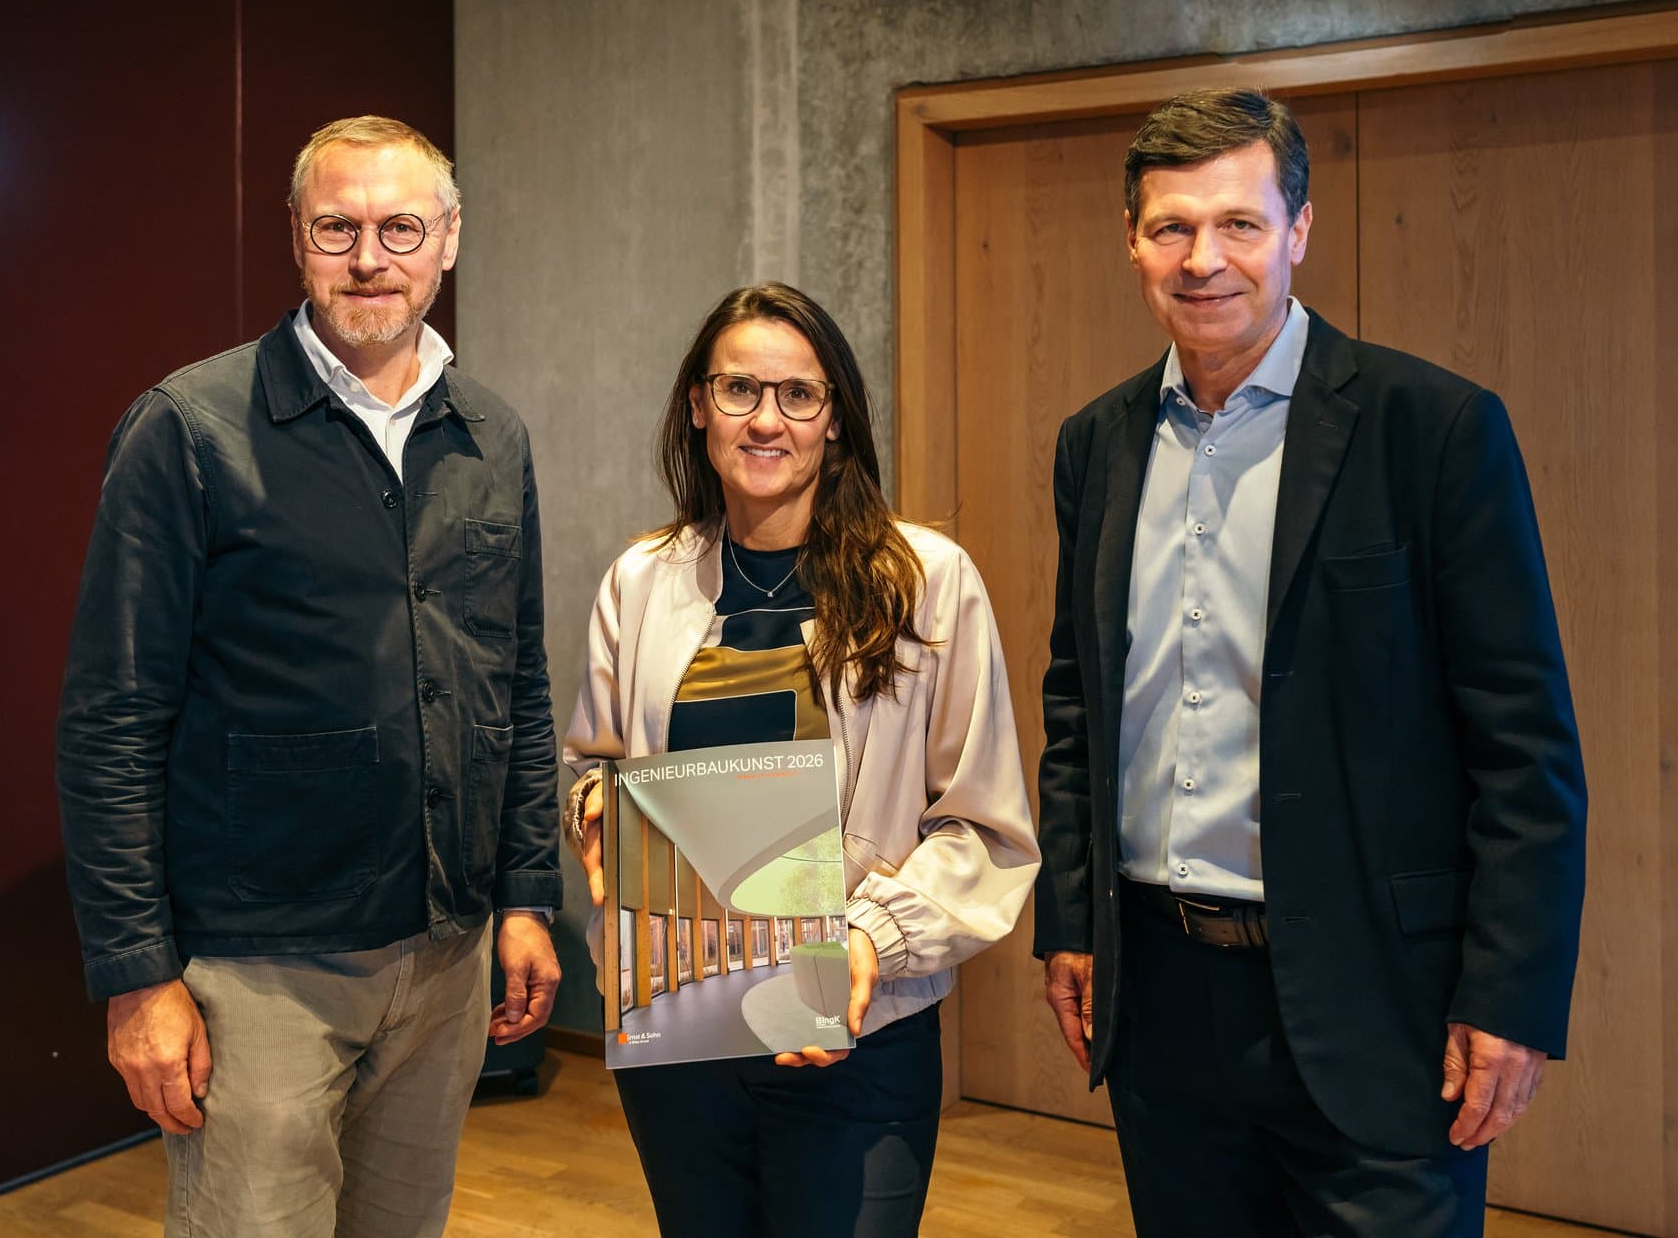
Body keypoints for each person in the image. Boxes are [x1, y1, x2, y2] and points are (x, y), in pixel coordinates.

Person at [1033, 88, 1586, 1238]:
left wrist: (1510, 993)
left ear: (1299, 230)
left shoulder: (1431, 428)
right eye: (1172, 227)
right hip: (1163, 1001)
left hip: (1379, 1004)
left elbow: (1523, 745)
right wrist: (1072, 919)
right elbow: (1079, 704)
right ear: (1132, 240)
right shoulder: (1097, 444)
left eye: (1239, 223)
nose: (1204, 259)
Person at [56, 115, 560, 1238]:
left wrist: (528, 897)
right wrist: (137, 976)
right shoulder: (190, 429)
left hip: (446, 955)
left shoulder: (492, 435)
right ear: (296, 235)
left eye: (400, 228)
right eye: (338, 228)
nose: (370, 257)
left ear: (450, 237)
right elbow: (111, 720)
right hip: (261, 972)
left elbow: (517, 684)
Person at [562, 282, 1039, 1237]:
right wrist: (598, 809)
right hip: (677, 1027)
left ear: (836, 417)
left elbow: (981, 827)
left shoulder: (925, 582)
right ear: (698, 407)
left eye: (798, 394)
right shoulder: (641, 580)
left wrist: (871, 941)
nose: (767, 420)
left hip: (855, 1029)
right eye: (739, 389)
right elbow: (595, 763)